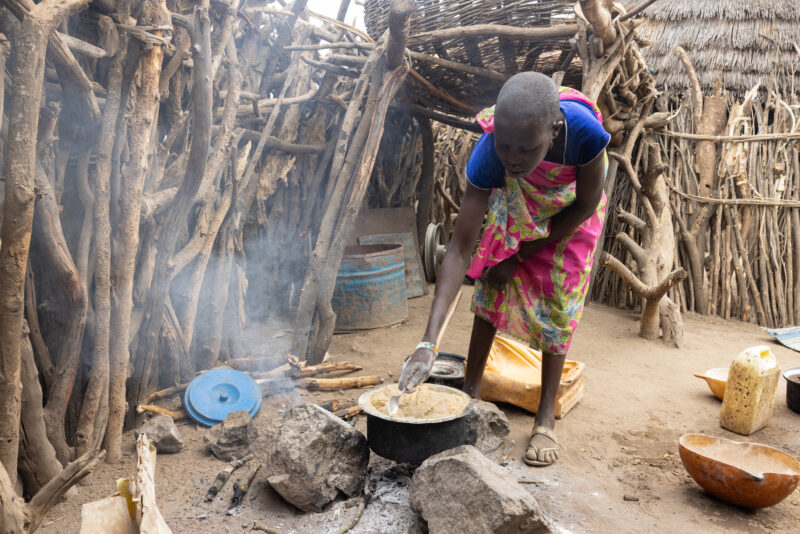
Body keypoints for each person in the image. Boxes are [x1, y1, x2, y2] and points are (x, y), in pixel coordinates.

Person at [398, 71, 609, 467]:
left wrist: (524, 253)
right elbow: (460, 248)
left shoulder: (582, 132)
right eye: (505, 145)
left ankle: (545, 414)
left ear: (554, 129)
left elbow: (586, 202)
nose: (512, 157)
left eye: (526, 148)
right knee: (491, 284)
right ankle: (470, 393)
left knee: (560, 302)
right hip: (518, 199)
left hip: (572, 207)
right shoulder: (491, 154)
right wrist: (427, 342)